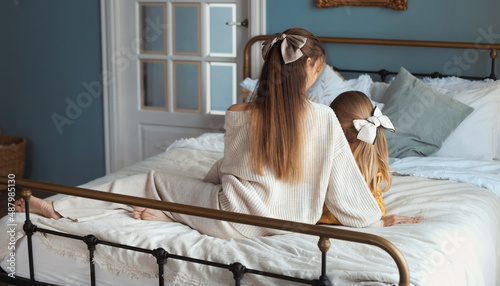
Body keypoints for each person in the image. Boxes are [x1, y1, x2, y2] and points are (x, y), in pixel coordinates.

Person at [15, 28, 383, 238]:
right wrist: (376, 218)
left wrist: (204, 187)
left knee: (152, 181)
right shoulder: (325, 119)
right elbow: (348, 197)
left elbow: (230, 172)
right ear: (310, 69)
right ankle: (175, 213)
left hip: (236, 220)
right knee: (185, 190)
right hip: (289, 228)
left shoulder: (240, 113)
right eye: (318, 70)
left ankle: (59, 208)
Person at [318, 91, 421, 227]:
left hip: (324, 218)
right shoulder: (373, 153)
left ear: (342, 130)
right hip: (367, 215)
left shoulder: (331, 152)